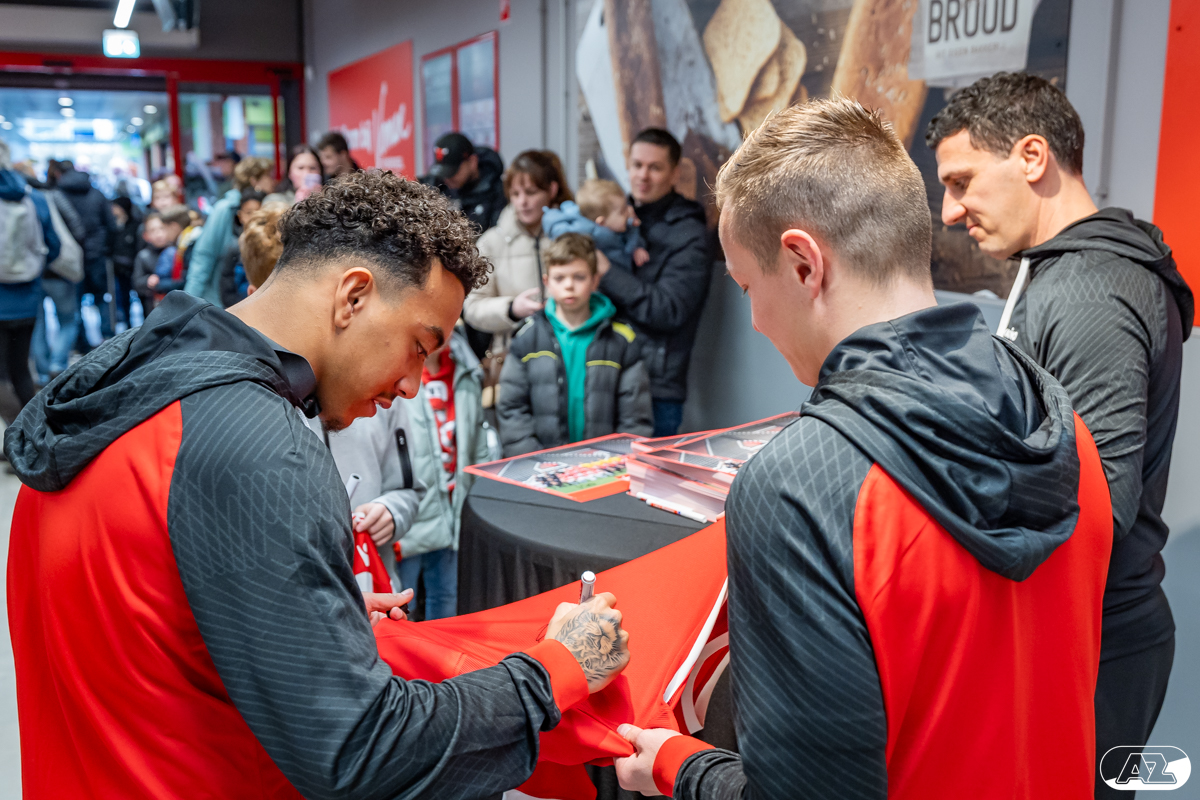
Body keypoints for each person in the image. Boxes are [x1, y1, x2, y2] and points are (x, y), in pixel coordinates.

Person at [6, 169, 631, 798]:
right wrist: (552, 671)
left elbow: (149, 621)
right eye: (420, 346)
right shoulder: (259, 449)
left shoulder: (124, 388)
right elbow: (361, 752)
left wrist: (311, 615)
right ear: (353, 296)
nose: (413, 385)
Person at [614, 98, 1113, 799]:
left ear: (803, 264)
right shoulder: (1062, 425)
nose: (755, 320)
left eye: (748, 286)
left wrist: (677, 765)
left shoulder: (798, 489)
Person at [926, 72, 1193, 796]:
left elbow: (1098, 504)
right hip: (1082, 635)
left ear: (1032, 156)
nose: (950, 211)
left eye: (962, 182)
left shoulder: (1088, 291)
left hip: (1096, 647)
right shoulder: (1064, 273)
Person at [598, 128, 710, 437]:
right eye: (637, 165)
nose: (643, 176)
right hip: (603, 375)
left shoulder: (688, 232)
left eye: (655, 167)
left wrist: (606, 271)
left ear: (674, 173)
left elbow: (669, 309)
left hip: (654, 387)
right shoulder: (615, 218)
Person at [498, 232, 652, 455]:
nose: (569, 285)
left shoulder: (621, 340)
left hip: (604, 465)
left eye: (579, 277)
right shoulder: (527, 337)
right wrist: (533, 460)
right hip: (541, 465)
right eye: (559, 278)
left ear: (595, 280)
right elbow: (512, 409)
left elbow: (635, 417)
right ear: (547, 282)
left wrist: (616, 461)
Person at [397, 323, 490, 619]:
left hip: (454, 508)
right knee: (402, 602)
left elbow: (477, 440)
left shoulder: (467, 371)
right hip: (409, 515)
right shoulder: (394, 375)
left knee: (447, 595)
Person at [463, 150, 573, 364]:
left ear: (552, 190)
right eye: (515, 194)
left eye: (531, 192)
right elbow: (472, 307)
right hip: (512, 357)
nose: (522, 202)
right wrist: (511, 309)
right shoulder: (491, 242)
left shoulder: (572, 236)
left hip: (569, 352)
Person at [0, 141, 59, 412]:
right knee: (21, 367)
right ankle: (30, 427)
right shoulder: (33, 198)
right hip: (27, 296)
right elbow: (54, 245)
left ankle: (7, 428)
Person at [184, 156, 273, 306]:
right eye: (268, 176)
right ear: (254, 181)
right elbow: (204, 255)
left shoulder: (268, 207)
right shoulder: (225, 208)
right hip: (220, 302)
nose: (272, 181)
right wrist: (188, 304)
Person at [56, 162, 117, 343]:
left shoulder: (59, 196)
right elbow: (111, 225)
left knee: (75, 302)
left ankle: (81, 343)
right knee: (102, 297)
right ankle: (108, 337)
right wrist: (106, 248)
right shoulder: (97, 194)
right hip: (97, 254)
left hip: (70, 257)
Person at [543, 178, 650, 272]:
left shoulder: (619, 226)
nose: (629, 211)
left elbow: (629, 236)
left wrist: (637, 247)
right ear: (601, 222)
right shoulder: (585, 235)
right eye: (622, 211)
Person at [421, 131, 507, 234]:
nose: (447, 179)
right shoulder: (433, 187)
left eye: (453, 172)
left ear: (473, 161)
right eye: (443, 173)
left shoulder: (497, 193)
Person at [131, 205, 195, 309]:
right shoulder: (143, 256)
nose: (158, 234)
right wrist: (148, 281)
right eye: (153, 230)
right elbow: (137, 282)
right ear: (145, 235)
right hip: (154, 305)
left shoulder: (179, 249)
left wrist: (160, 284)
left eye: (162, 228)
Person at [217, 189, 267, 307]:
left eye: (258, 212)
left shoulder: (269, 245)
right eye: (249, 212)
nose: (254, 217)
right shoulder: (234, 247)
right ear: (240, 216)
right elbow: (226, 286)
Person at [109, 196, 142, 328]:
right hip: (118, 268)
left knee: (140, 295)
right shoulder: (112, 225)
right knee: (122, 296)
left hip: (134, 266)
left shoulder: (135, 225)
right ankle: (127, 323)